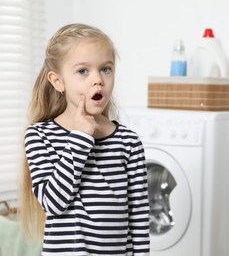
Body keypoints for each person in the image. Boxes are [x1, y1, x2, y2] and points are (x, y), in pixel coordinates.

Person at [19, 23, 150, 255]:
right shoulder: (40, 136)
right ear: (57, 81)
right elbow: (53, 203)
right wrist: (80, 138)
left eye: (106, 69)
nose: (98, 80)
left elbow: (139, 220)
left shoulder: (128, 142)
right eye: (83, 71)